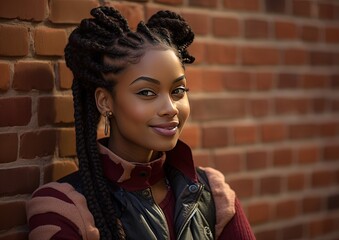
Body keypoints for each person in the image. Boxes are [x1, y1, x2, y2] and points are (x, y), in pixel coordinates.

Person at [26, 6, 255, 240]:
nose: (170, 108)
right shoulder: (63, 207)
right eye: (146, 92)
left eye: (178, 90)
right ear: (105, 101)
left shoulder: (213, 192)